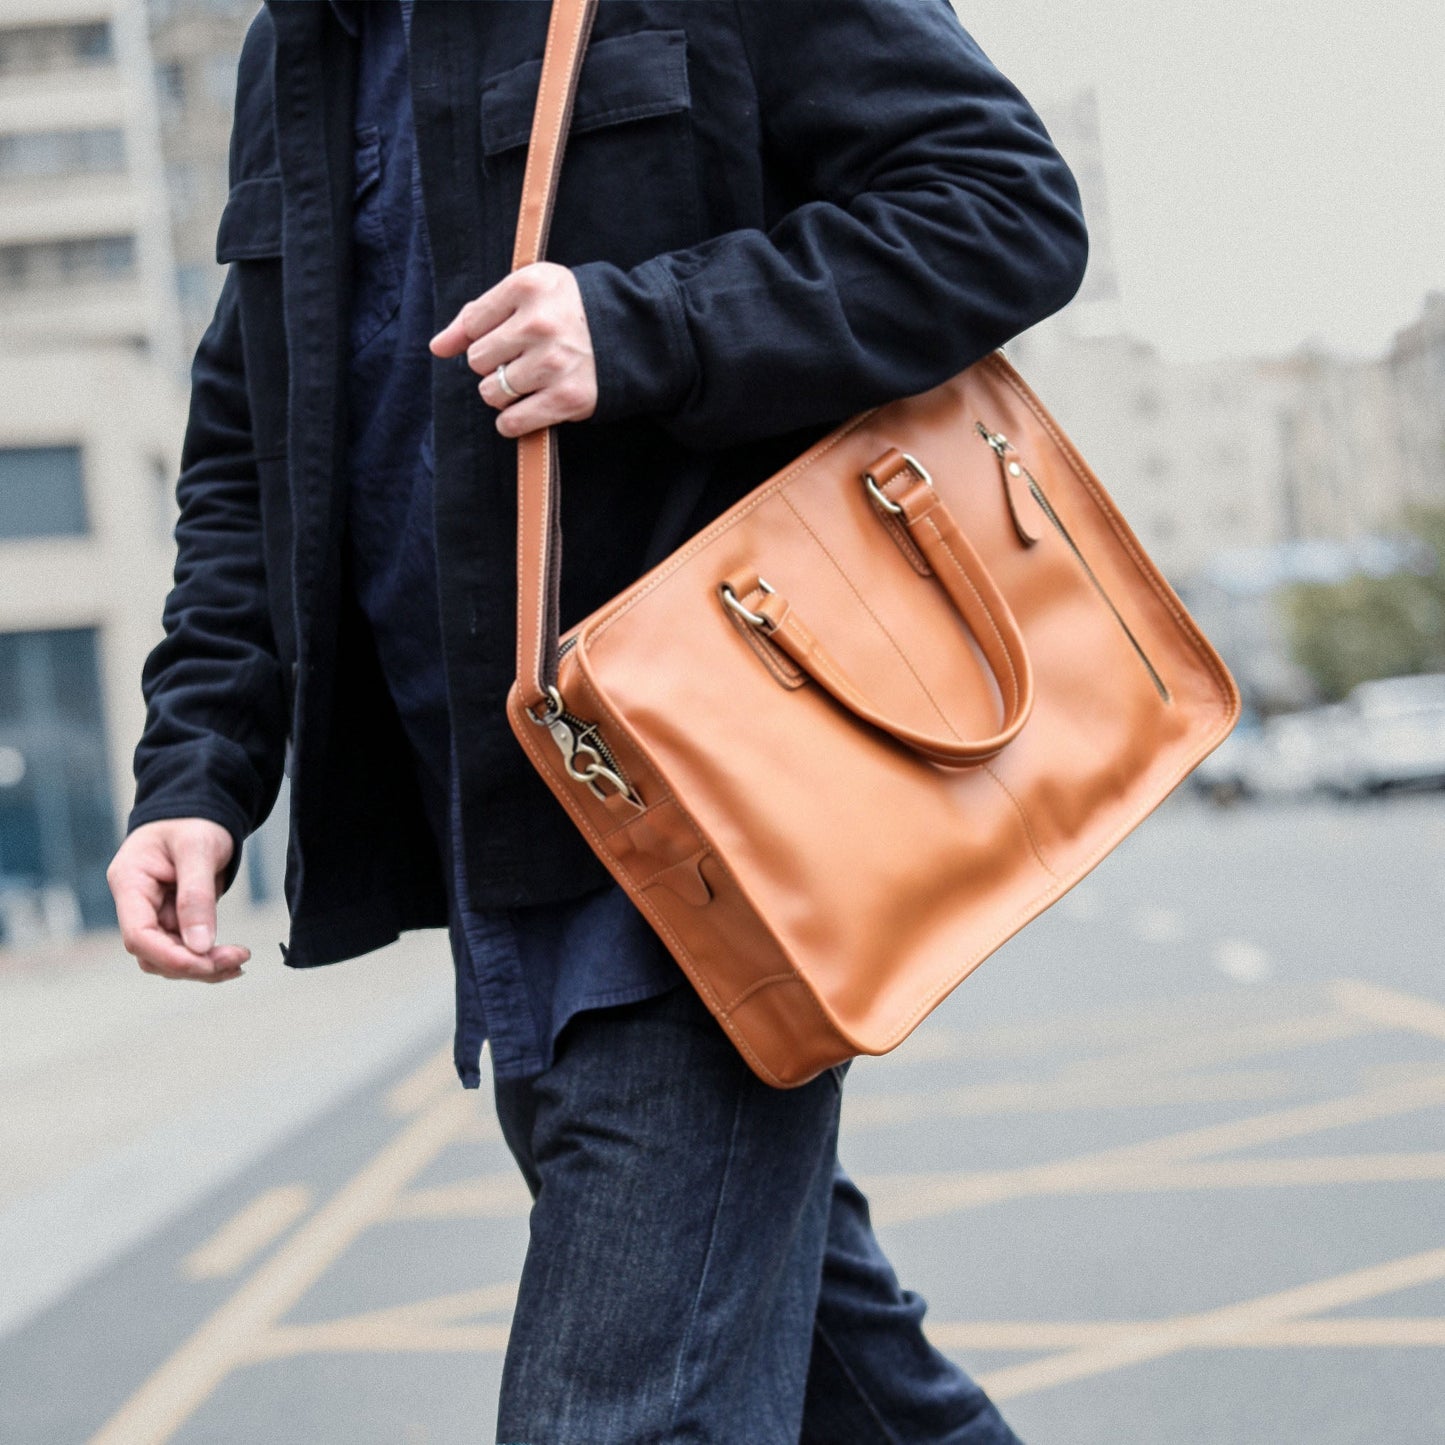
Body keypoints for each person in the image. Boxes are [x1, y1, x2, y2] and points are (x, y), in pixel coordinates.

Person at [106, 1, 1088, 1439]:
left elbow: (1005, 211)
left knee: (617, 1416)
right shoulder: (296, 44)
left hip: (707, 829)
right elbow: (254, 448)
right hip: (504, 853)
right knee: (857, 1396)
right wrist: (198, 768)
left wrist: (643, 326)